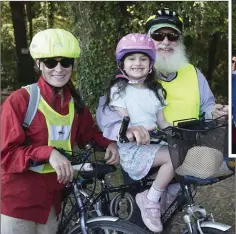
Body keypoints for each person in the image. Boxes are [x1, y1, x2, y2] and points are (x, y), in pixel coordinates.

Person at [96, 7, 228, 228]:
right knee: (140, 225)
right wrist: (118, 134)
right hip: (144, 152)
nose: (165, 41)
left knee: (166, 218)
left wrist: (214, 112)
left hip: (181, 151)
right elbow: (108, 111)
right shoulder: (134, 71)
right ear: (148, 40)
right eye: (158, 35)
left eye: (172, 35)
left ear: (179, 40)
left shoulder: (193, 73)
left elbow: (206, 106)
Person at [1, 28, 119, 234]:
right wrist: (48, 153)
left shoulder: (74, 103)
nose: (59, 68)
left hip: (52, 202)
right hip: (19, 203)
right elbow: (6, 155)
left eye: (65, 62)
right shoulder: (21, 101)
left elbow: (88, 134)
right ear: (39, 64)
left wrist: (108, 144)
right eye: (50, 62)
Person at [105, 32, 174, 233]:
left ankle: (167, 195)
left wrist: (178, 132)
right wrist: (136, 130)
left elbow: (162, 121)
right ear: (122, 64)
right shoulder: (119, 90)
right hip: (133, 150)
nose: (138, 63)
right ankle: (150, 200)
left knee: (185, 153)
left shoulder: (156, 91)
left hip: (153, 145)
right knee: (173, 156)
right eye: (132, 58)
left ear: (151, 64)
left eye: (143, 58)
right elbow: (124, 123)